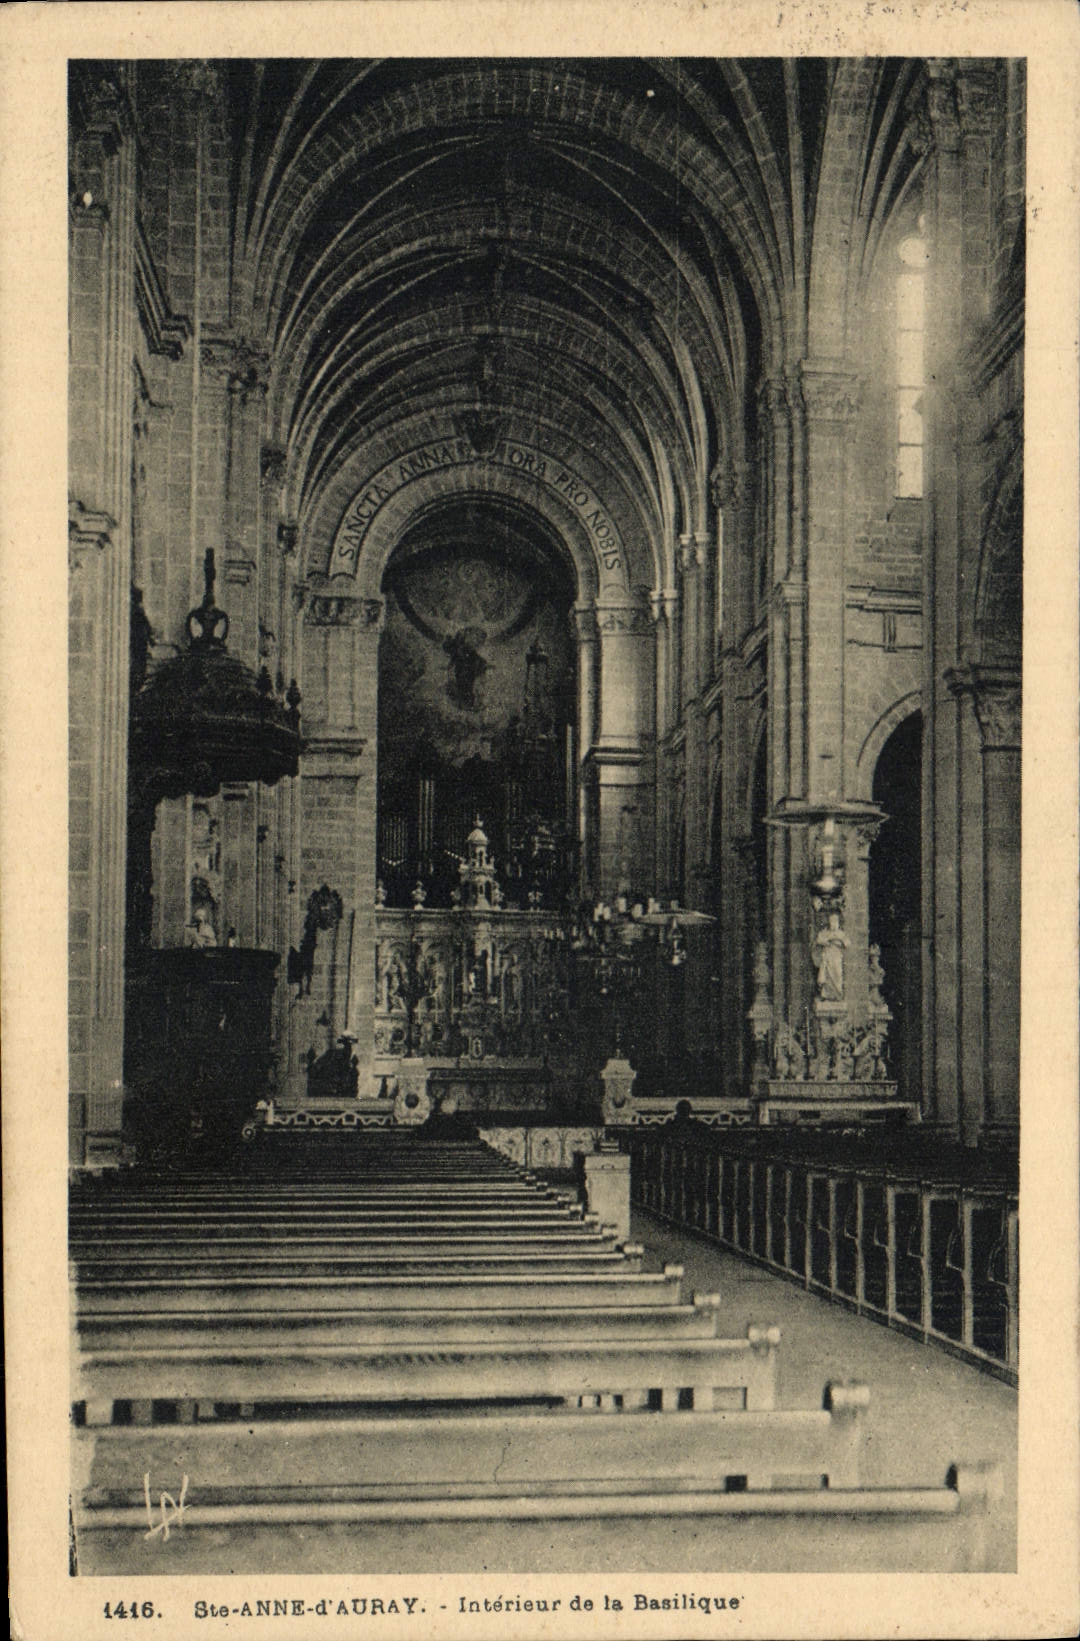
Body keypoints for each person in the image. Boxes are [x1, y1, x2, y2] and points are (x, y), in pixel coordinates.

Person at [813, 911, 848, 1001]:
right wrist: (828, 940)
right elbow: (819, 940)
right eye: (831, 921)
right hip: (828, 956)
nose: (833, 923)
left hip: (836, 957)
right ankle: (827, 995)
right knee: (827, 975)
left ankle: (837, 995)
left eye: (835, 921)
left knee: (837, 974)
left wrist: (839, 940)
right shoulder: (825, 932)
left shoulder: (841, 933)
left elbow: (847, 943)